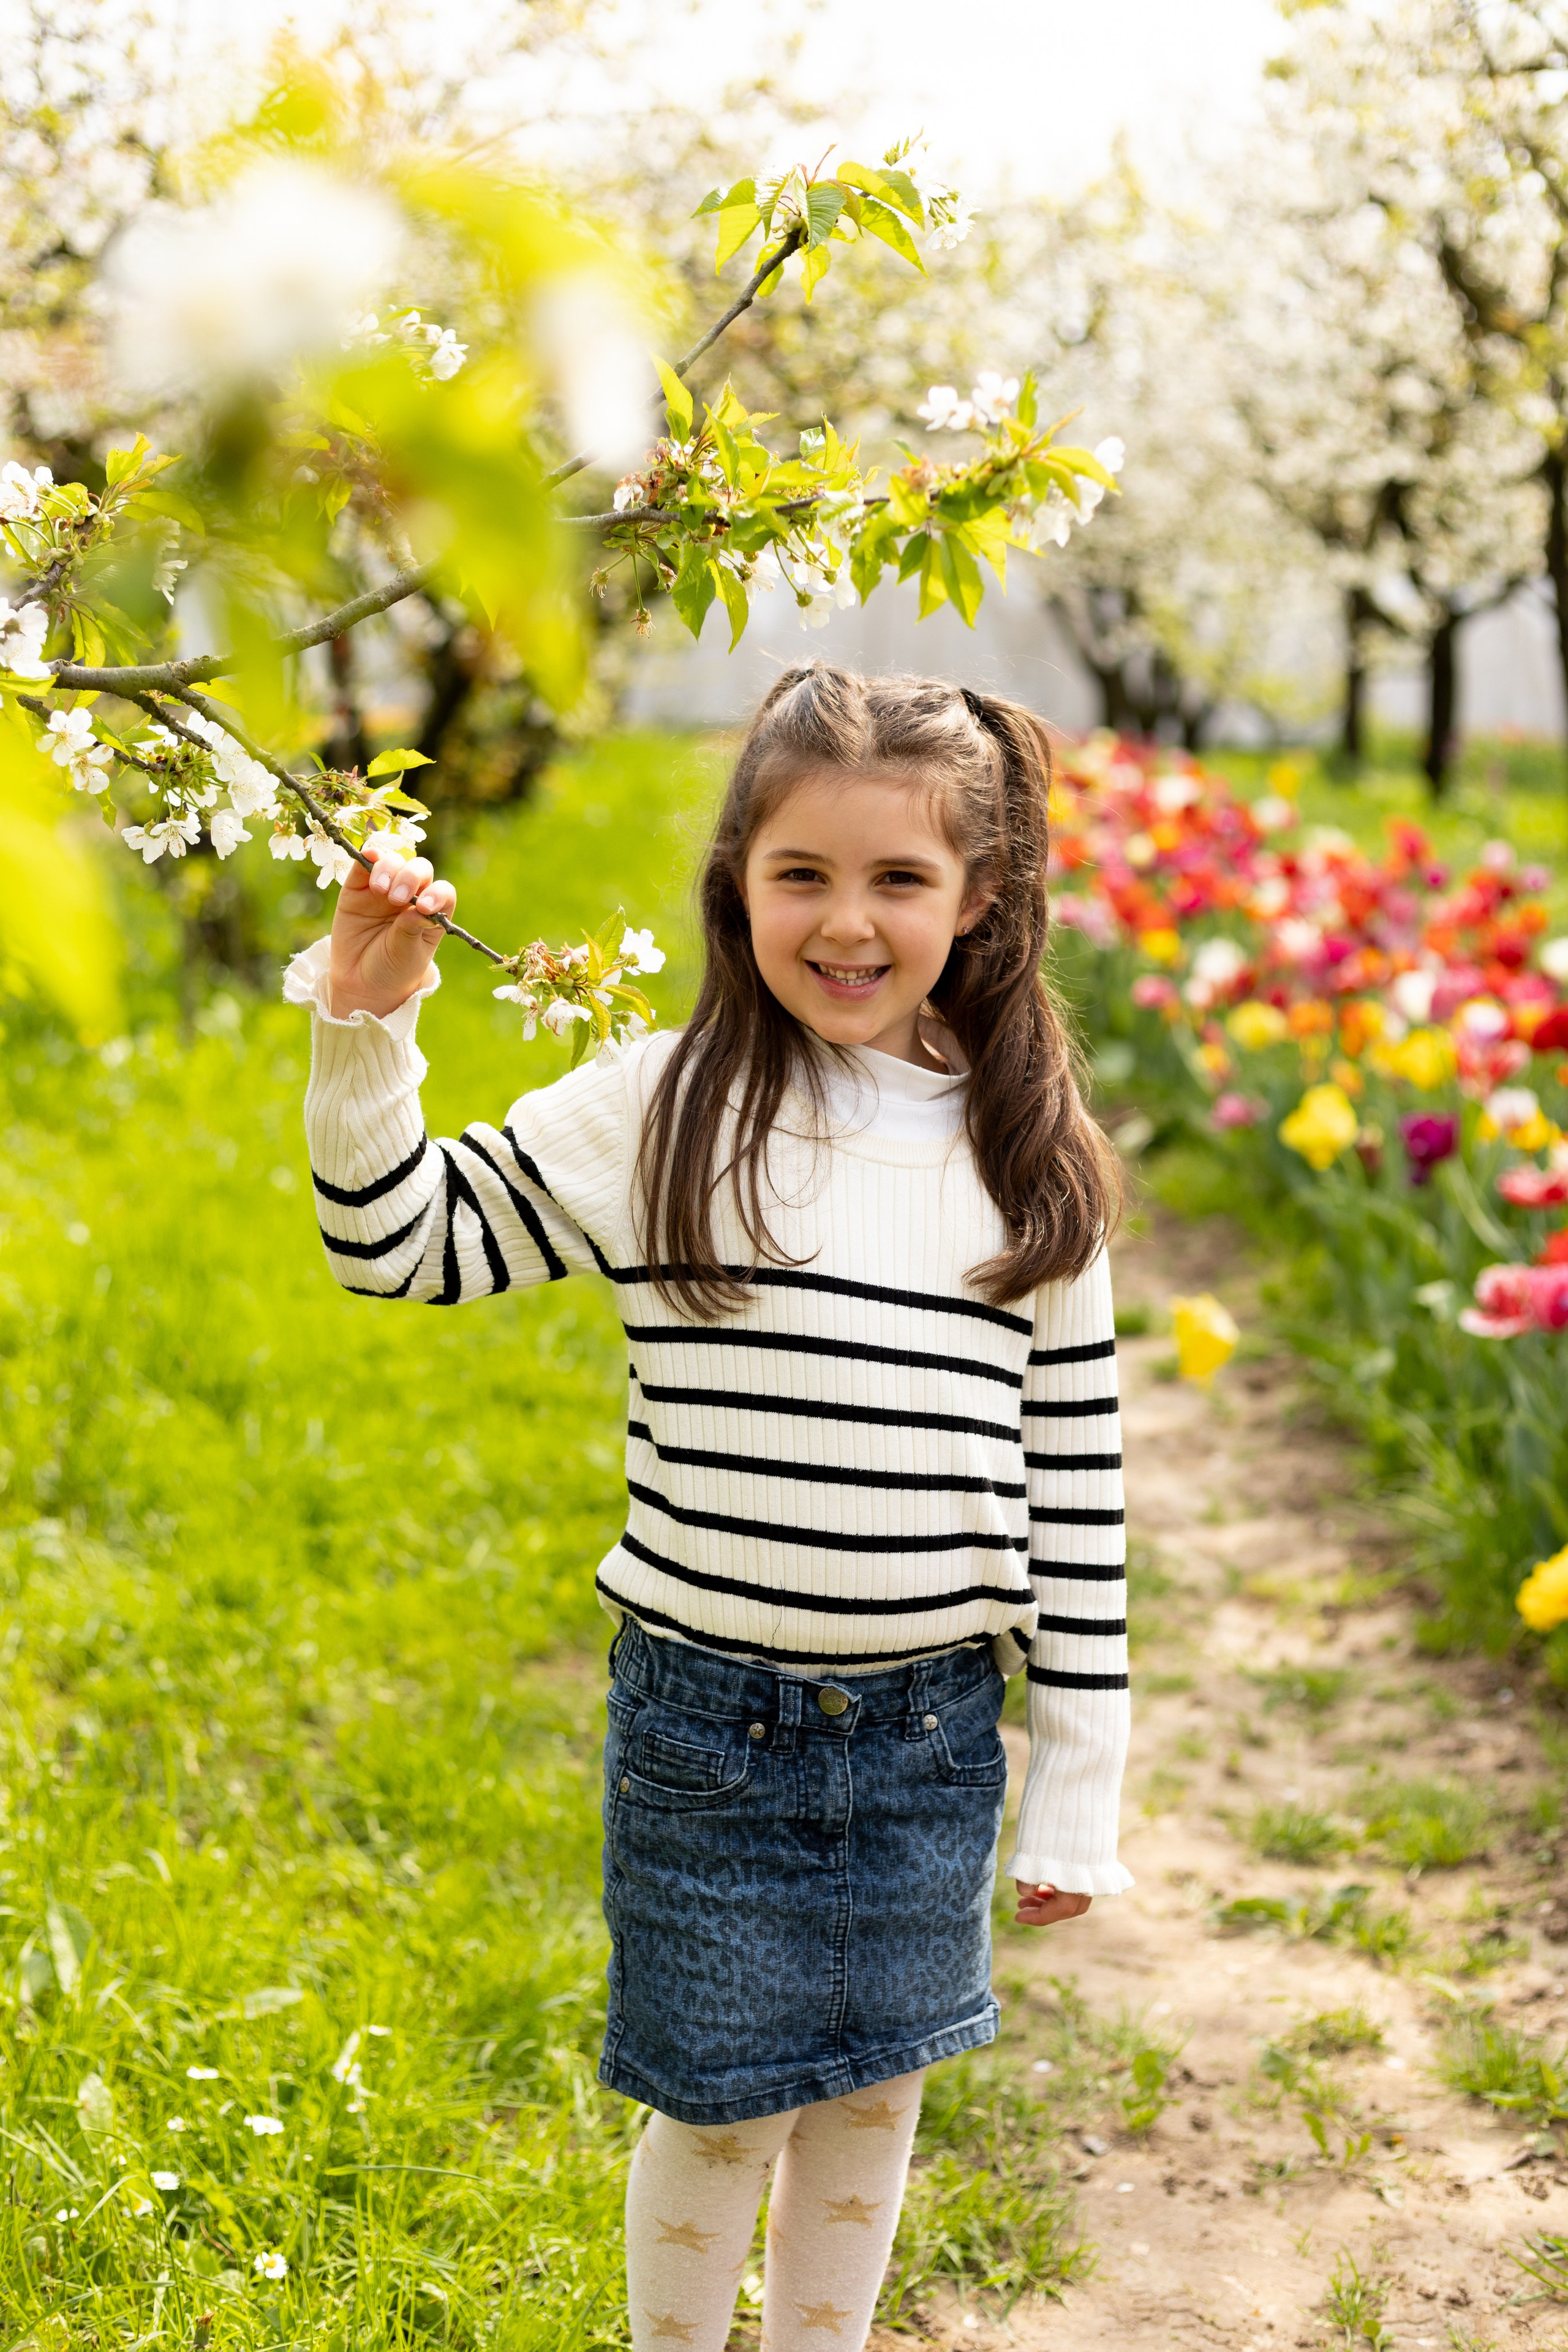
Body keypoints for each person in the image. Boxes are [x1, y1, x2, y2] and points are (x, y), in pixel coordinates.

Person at [286, 663, 1131, 2352]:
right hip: (709, 1732)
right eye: (800, 874)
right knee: (723, 2104)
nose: (846, 922)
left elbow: (1078, 1488)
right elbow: (401, 1245)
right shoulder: (666, 1103)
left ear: (975, 903)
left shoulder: (1024, 1159)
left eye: (899, 880)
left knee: (872, 2102)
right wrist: (368, 1021)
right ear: (736, 878)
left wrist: (1076, 1787)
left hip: (931, 1738)